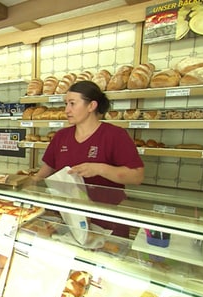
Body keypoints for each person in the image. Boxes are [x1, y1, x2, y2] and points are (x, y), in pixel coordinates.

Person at [34, 80, 144, 237]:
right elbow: (45, 172)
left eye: (72, 103)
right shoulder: (61, 136)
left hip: (105, 220)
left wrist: (99, 168)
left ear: (91, 106)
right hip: (67, 218)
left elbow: (137, 176)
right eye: (66, 104)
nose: (67, 110)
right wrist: (28, 184)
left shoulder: (115, 135)